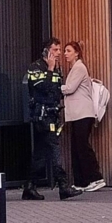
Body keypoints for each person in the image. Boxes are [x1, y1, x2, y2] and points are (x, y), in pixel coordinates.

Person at [26, 38, 82, 201]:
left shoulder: (57, 69)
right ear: (47, 51)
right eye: (56, 50)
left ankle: (30, 187)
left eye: (60, 50)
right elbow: (43, 88)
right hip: (41, 116)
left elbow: (57, 91)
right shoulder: (35, 68)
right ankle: (63, 186)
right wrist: (50, 69)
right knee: (55, 147)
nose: (59, 53)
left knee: (40, 154)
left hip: (52, 114)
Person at [62, 41, 105, 192]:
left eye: (68, 51)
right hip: (76, 115)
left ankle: (96, 177)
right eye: (65, 51)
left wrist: (56, 86)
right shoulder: (74, 68)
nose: (65, 54)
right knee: (76, 147)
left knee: (82, 146)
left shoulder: (80, 67)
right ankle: (80, 181)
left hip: (83, 114)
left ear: (76, 53)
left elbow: (70, 88)